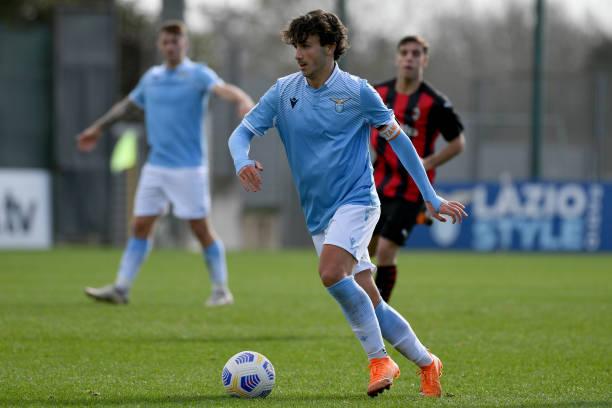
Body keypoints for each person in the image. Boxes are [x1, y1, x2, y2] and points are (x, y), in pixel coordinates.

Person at [228, 10, 466, 398]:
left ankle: (379, 360)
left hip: (358, 201)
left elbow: (400, 141)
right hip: (318, 213)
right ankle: (427, 362)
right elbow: (240, 134)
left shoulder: (357, 92)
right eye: (296, 46)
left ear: (330, 47)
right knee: (371, 300)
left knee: (330, 273)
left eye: (306, 46)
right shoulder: (284, 91)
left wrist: (429, 195)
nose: (298, 55)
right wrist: (242, 160)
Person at [78, 20, 254, 306]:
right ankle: (121, 288)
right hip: (156, 166)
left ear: (185, 44)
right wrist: (97, 128)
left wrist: (242, 98)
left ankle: (221, 290)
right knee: (140, 225)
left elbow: (222, 89)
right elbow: (127, 106)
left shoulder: (198, 74)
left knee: (200, 229)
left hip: (189, 168)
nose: (171, 47)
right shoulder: (152, 77)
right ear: (160, 45)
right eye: (166, 42)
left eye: (176, 41)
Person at [369, 35, 466, 303]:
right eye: (404, 53)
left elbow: (458, 142)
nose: (409, 58)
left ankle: (379, 313)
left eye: (416, 53)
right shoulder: (378, 93)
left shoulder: (434, 102)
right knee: (364, 252)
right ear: (397, 58)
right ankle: (365, 308)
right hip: (377, 185)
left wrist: (429, 162)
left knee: (386, 251)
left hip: (411, 191)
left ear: (425, 60)